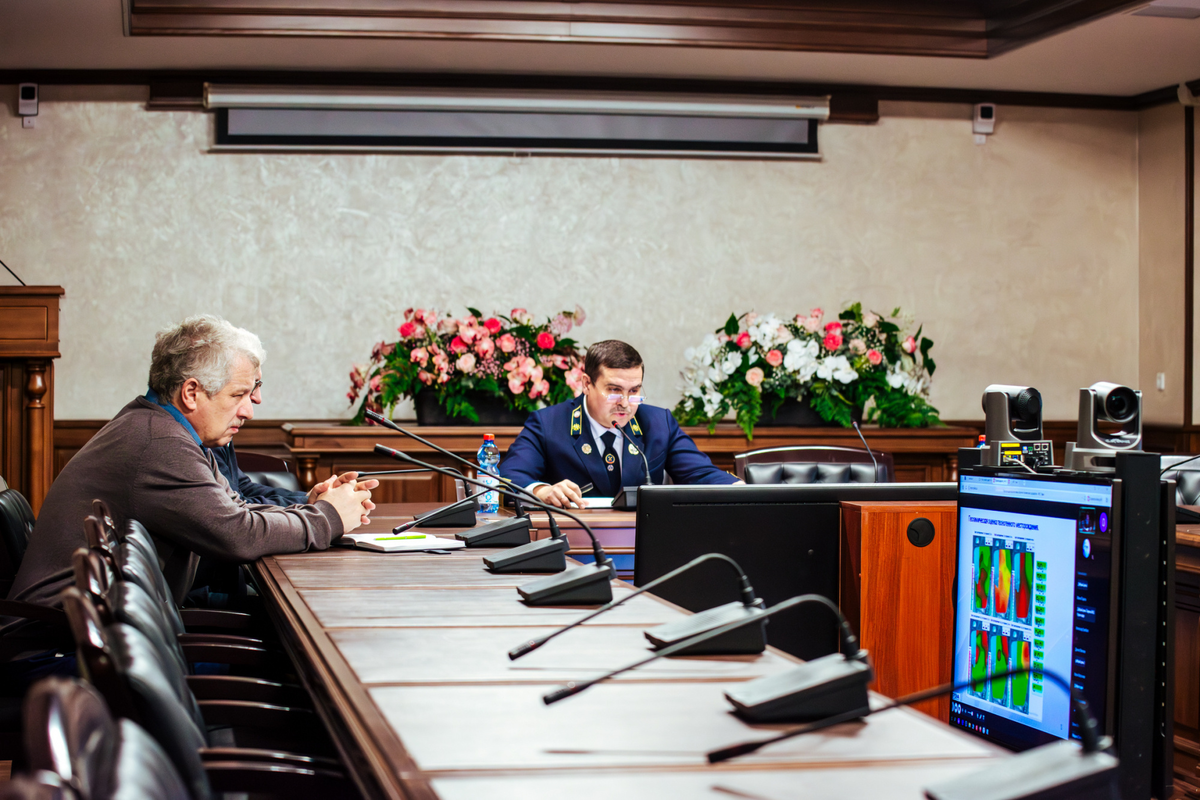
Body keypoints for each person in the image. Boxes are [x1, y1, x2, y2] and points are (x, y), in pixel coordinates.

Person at [3, 315, 377, 638]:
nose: (249, 410)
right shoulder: (159, 443)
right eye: (238, 394)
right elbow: (238, 534)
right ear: (192, 393)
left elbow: (237, 509)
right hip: (59, 649)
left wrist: (314, 507)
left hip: (103, 637)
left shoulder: (167, 430)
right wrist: (328, 517)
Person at [499, 339, 739, 508]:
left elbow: (701, 474)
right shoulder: (548, 424)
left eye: (634, 391)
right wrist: (542, 491)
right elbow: (508, 478)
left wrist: (743, 490)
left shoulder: (659, 423)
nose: (625, 403)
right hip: (574, 544)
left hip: (641, 541)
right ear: (586, 384)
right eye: (614, 390)